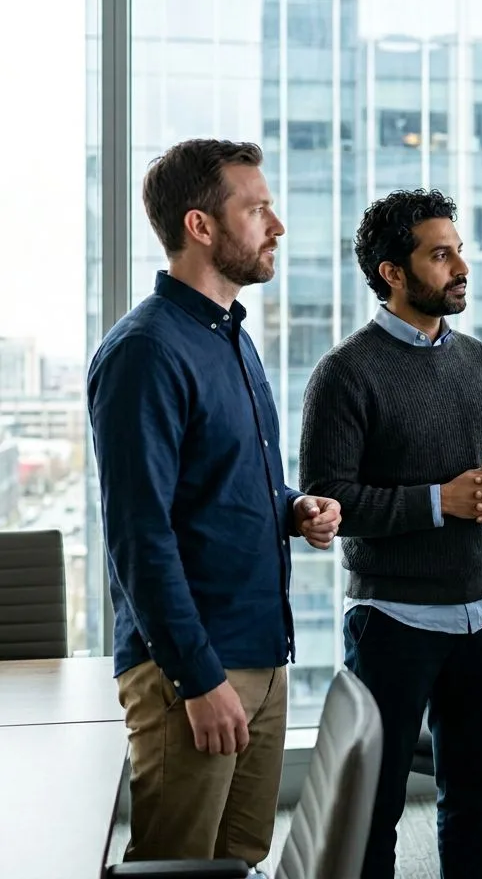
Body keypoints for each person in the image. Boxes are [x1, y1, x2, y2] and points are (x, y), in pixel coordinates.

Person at [87, 139, 341, 867]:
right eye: (256, 208)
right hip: (192, 671)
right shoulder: (145, 351)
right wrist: (198, 678)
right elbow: (139, 537)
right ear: (201, 226)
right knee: (179, 865)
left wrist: (294, 508)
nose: (277, 226)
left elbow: (222, 481)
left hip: (261, 654)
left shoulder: (231, 336)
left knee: (238, 859)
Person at [299, 188, 482, 879]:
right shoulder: (344, 372)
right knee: (376, 807)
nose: (460, 266)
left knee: (472, 803)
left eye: (458, 250)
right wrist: (442, 501)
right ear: (392, 272)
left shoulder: (477, 358)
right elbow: (332, 503)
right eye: (440, 253)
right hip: (392, 619)